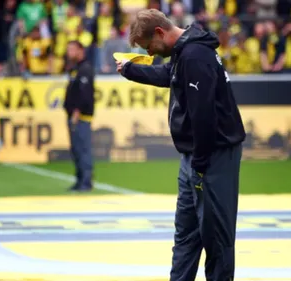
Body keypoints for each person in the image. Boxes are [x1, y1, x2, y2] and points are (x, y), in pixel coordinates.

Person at [116, 9, 246, 281]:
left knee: (217, 239)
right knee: (186, 237)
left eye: (149, 45)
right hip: (195, 157)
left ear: (161, 33)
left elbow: (204, 115)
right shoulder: (186, 52)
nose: (149, 53)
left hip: (212, 157)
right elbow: (168, 75)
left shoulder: (195, 56)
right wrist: (131, 71)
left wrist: (199, 163)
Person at [64, 40, 95, 192]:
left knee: (83, 149)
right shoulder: (74, 69)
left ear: (80, 50)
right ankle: (79, 179)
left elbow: (84, 95)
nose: (69, 52)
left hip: (81, 116)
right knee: (76, 149)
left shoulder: (85, 69)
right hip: (73, 115)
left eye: (72, 49)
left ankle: (86, 181)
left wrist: (76, 112)